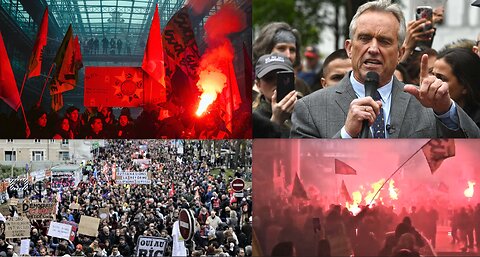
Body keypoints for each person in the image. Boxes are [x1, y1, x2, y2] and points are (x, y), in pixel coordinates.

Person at [291, 0, 480, 138]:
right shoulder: (309, 109)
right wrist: (346, 135)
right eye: (364, 38)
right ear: (349, 48)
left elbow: (471, 154)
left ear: (400, 53)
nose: (373, 49)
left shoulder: (426, 103)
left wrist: (445, 111)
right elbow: (304, 174)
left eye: (384, 41)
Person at [432, 48, 480, 127]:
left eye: (441, 78)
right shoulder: (423, 112)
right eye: (432, 75)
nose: (433, 83)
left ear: (465, 87)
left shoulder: (475, 124)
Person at [253, 53, 297, 138]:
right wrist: (276, 120)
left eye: (283, 78)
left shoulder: (305, 110)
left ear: (293, 80)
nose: (276, 83)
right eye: (269, 78)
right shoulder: (254, 119)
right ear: (258, 85)